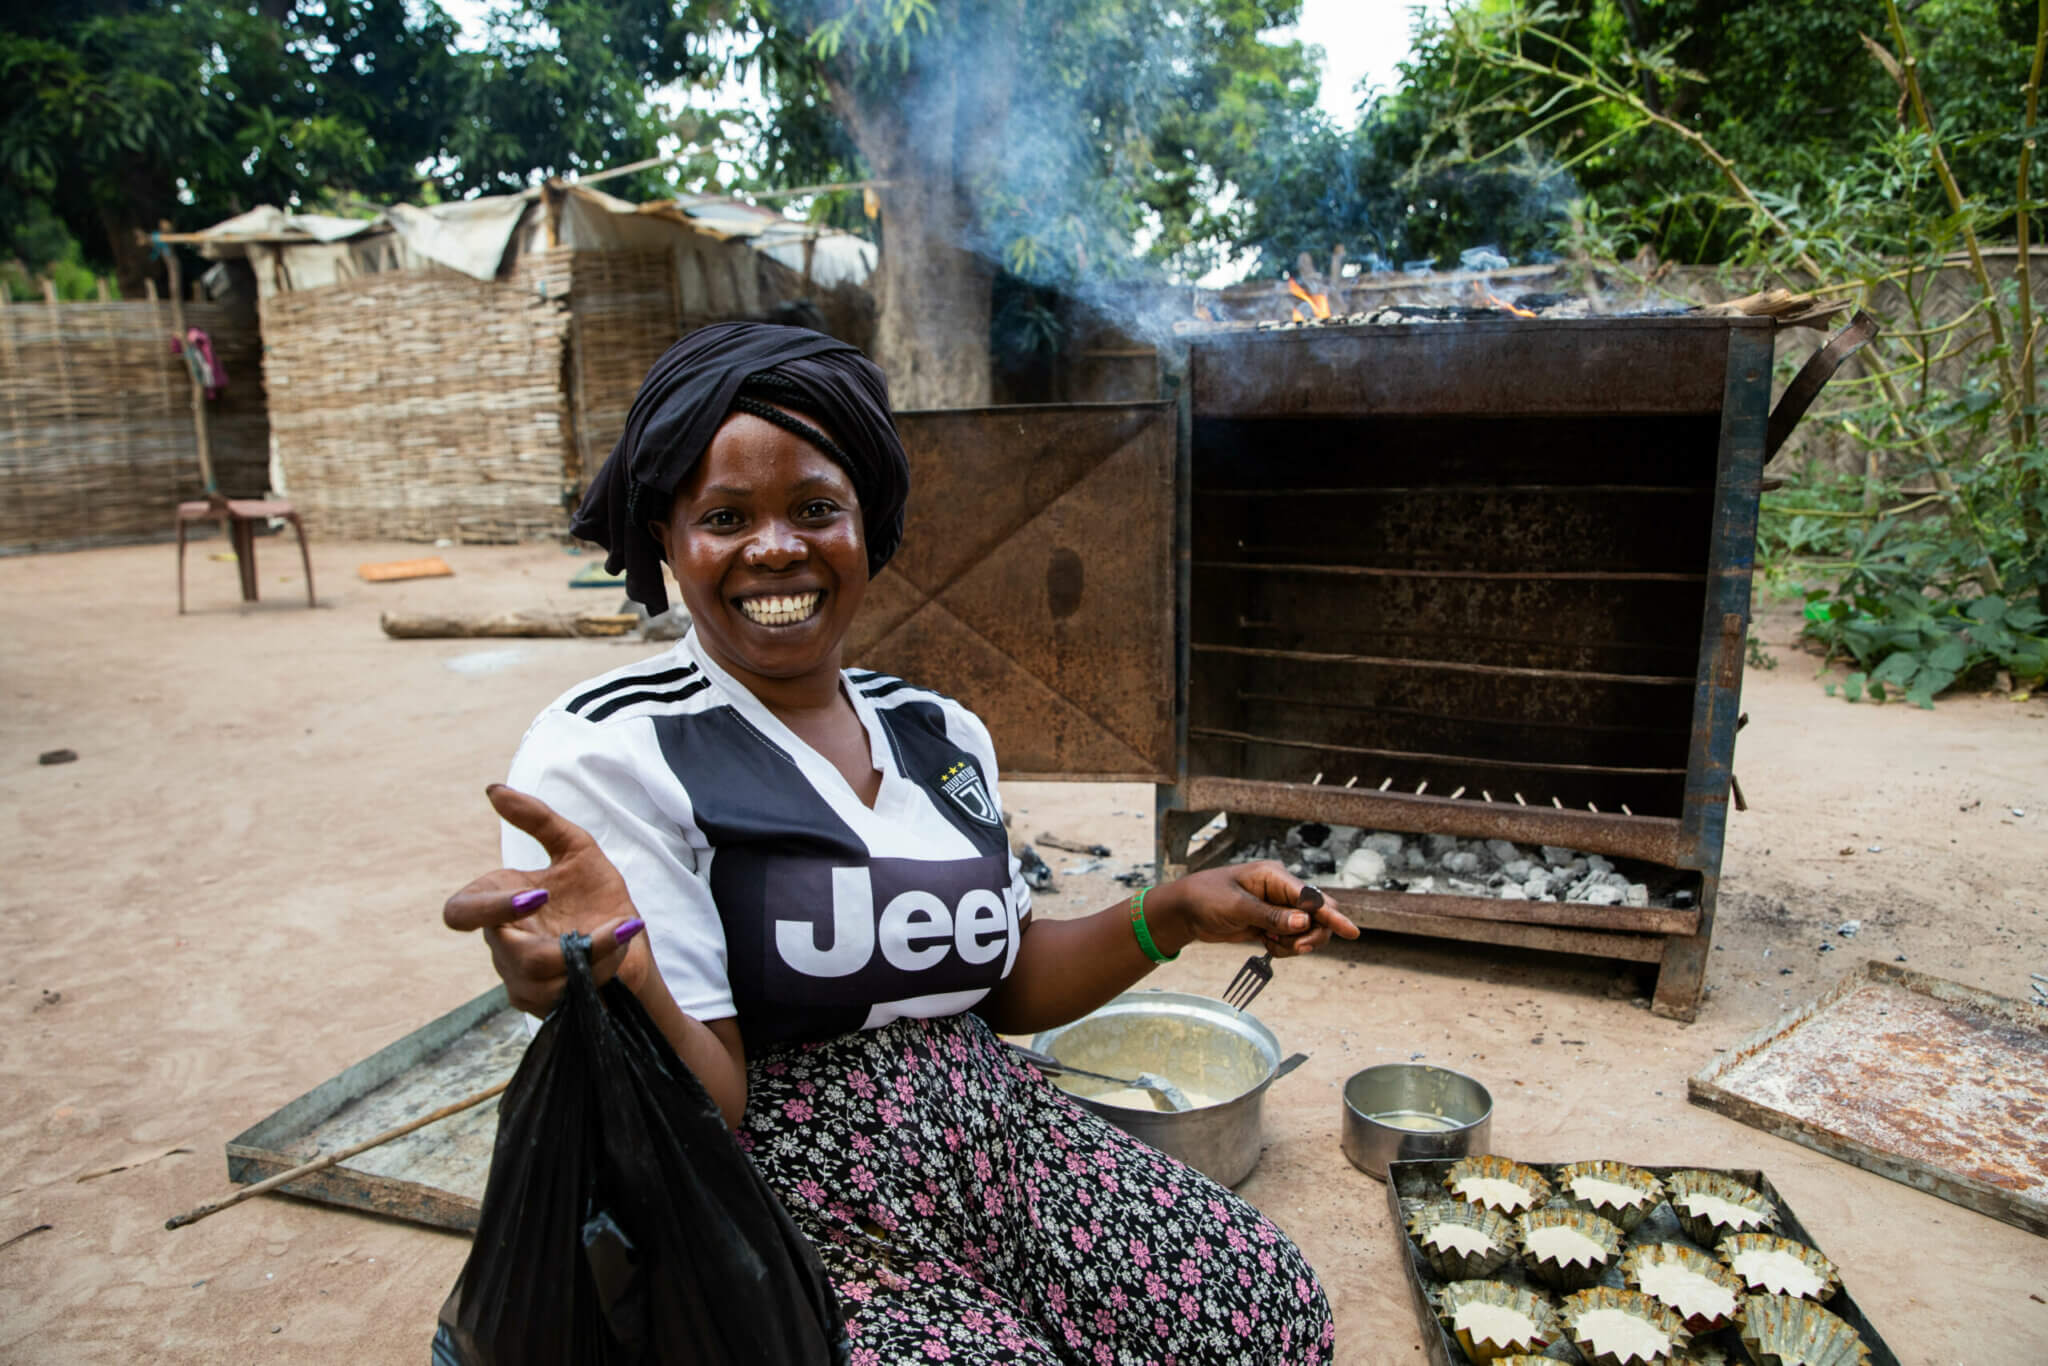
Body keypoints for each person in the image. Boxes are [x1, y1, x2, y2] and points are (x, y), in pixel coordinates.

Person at [443, 323, 1359, 1365]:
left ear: (865, 525)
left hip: (996, 1139)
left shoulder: (936, 730)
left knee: (1262, 1308)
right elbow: (715, 1104)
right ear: (667, 535)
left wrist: (1178, 909)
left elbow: (1000, 986)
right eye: (726, 516)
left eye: (815, 509)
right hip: (782, 1200)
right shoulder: (615, 749)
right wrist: (627, 975)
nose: (776, 547)